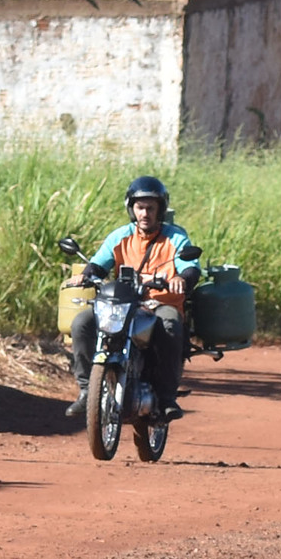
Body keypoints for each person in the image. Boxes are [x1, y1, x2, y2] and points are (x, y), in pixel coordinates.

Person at [91, 174, 201, 415]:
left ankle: (166, 398)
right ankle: (84, 389)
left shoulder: (176, 238)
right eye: (140, 207)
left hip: (162, 303)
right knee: (83, 322)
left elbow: (191, 268)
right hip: (125, 303)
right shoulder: (119, 236)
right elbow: (98, 265)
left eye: (151, 208)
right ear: (131, 209)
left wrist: (181, 279)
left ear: (160, 210)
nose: (145, 214)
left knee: (170, 325)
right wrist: (86, 275)